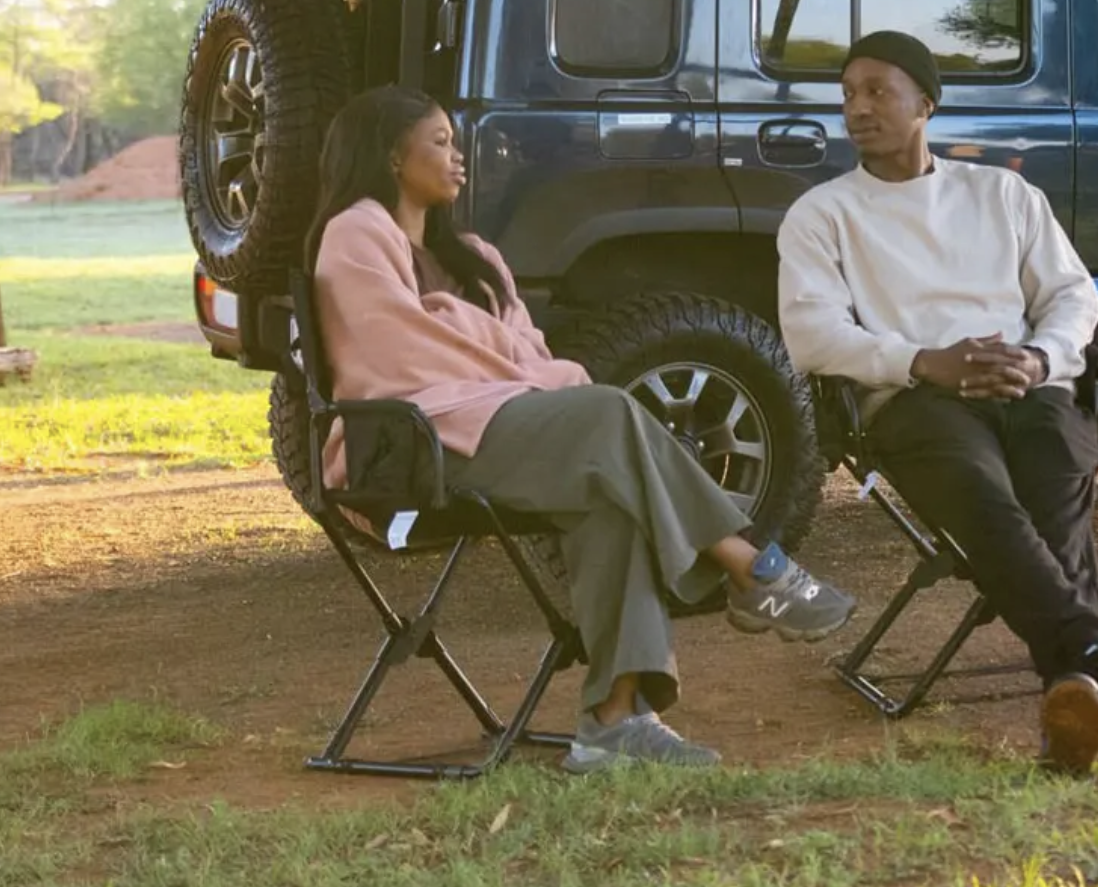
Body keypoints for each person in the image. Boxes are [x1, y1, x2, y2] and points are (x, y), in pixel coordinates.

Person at [308, 85, 856, 772]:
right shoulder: (355, 232)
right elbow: (397, 353)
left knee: (610, 502)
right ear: (392, 156)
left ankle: (615, 721)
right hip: (414, 446)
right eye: (440, 142)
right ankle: (752, 566)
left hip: (498, 426)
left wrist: (464, 321)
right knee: (608, 410)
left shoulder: (476, 256)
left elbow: (529, 356)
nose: (458, 156)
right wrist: (486, 342)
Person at [777, 30, 1098, 772]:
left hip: (1028, 387)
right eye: (848, 95)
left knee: (1053, 487)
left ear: (925, 103)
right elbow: (813, 335)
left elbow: (1071, 296)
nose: (857, 108)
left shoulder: (1002, 193)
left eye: (877, 92)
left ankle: (1074, 678)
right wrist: (928, 362)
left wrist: (1038, 357)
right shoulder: (823, 214)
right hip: (914, 400)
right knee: (986, 499)